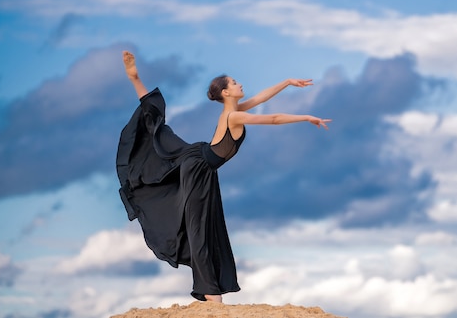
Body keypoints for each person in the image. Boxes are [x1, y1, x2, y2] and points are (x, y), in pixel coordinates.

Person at [116, 50, 330, 303]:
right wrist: (306, 117)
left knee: (162, 136)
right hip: (199, 167)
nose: (240, 84)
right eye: (235, 82)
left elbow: (261, 98)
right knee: (199, 230)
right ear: (226, 92)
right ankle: (212, 296)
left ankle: (211, 291)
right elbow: (272, 118)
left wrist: (287, 82)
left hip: (202, 163)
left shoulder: (235, 110)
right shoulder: (235, 116)